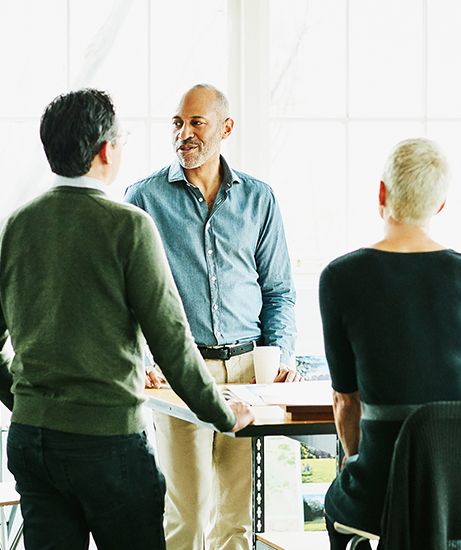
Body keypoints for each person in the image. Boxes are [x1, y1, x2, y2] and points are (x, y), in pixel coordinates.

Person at [0, 88, 254, 550]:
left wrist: (27, 406)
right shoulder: (128, 225)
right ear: (105, 150)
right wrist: (222, 414)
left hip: (32, 442)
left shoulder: (10, 228)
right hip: (107, 445)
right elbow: (172, 342)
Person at [125, 83, 299, 550]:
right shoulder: (143, 198)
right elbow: (127, 296)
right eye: (177, 123)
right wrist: (146, 358)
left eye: (196, 122)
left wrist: (281, 351)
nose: (184, 133)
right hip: (181, 372)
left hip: (248, 372)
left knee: (238, 516)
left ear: (226, 127)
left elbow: (279, 290)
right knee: (188, 513)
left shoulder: (259, 199)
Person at [318, 138, 461, 549]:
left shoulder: (340, 277)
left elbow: (346, 402)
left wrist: (353, 458)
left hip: (378, 491)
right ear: (441, 205)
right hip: (456, 496)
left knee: (336, 498)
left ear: (381, 192)